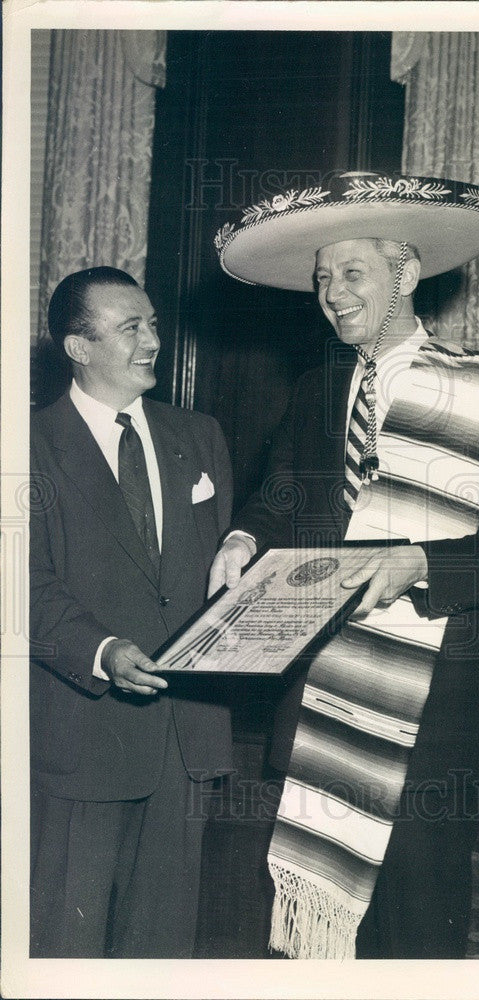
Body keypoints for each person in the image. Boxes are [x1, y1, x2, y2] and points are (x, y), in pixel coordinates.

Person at [209, 171, 479, 958]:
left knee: (418, 917)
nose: (332, 293)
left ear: (405, 272)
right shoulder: (315, 389)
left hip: (437, 701)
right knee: (326, 926)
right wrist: (242, 538)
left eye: (352, 273)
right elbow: (278, 499)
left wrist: (422, 564)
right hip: (324, 691)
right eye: (322, 277)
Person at [29, 267, 234, 958]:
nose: (153, 340)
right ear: (79, 348)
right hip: (82, 732)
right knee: (67, 935)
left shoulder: (200, 436)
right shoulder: (26, 446)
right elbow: (23, 585)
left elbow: (222, 578)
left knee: (163, 941)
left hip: (188, 735)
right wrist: (103, 651)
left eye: (152, 323)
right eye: (129, 328)